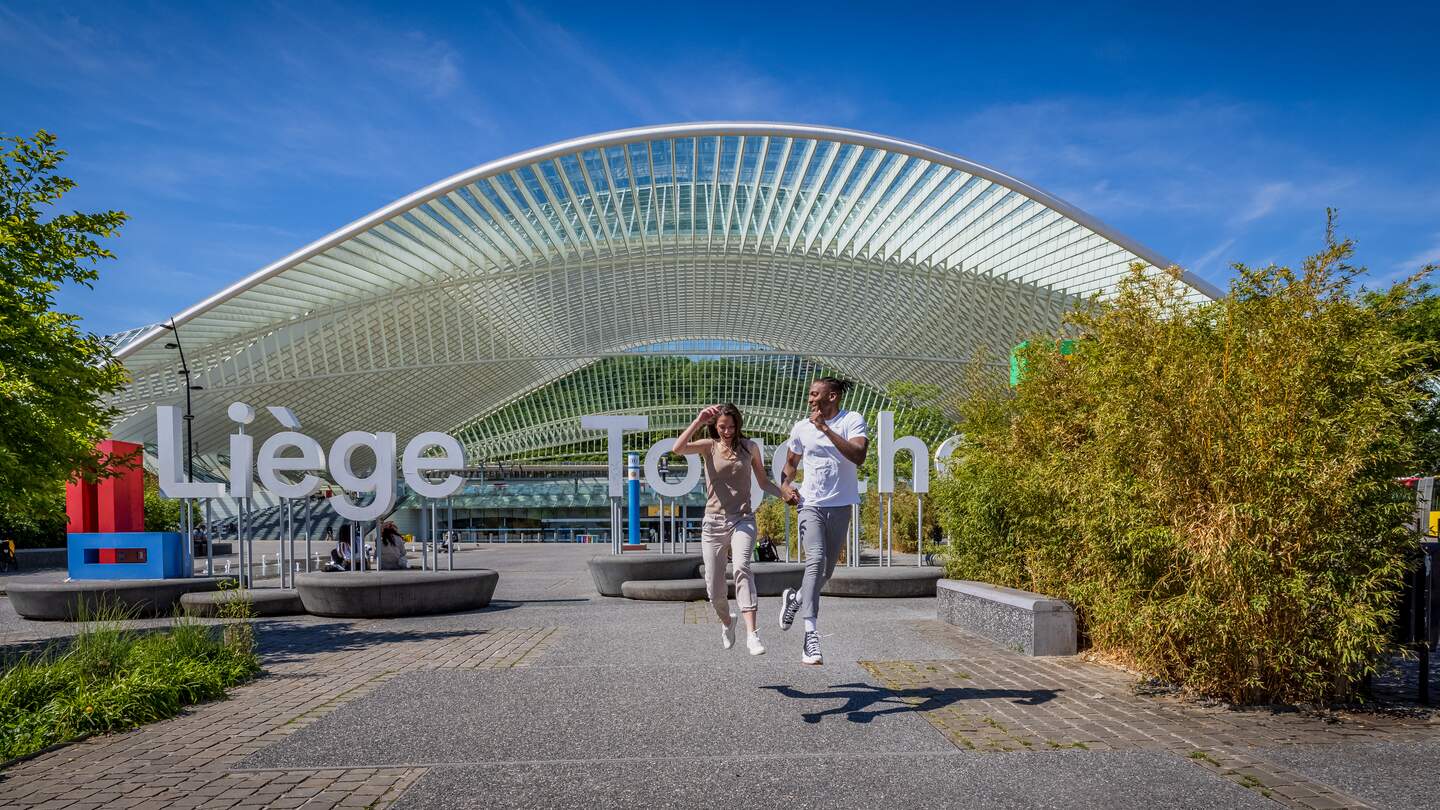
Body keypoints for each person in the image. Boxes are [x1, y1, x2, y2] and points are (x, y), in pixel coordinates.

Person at [674, 403, 794, 656]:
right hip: (713, 523)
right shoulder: (709, 446)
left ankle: (753, 633)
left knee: (742, 567)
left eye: (731, 426)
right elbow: (678, 449)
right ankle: (728, 622)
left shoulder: (750, 447)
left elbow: (762, 481)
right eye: (722, 427)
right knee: (714, 589)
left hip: (743, 520)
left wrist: (785, 494)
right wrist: (698, 420)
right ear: (715, 427)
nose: (727, 431)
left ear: (738, 424)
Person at [778, 377, 869, 665]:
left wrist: (825, 429)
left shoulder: (851, 420)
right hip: (810, 504)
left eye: (815, 394)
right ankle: (810, 635)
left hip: (841, 506)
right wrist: (785, 486)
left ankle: (794, 600)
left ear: (832, 396)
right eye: (809, 395)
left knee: (826, 573)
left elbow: (859, 456)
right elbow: (791, 464)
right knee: (815, 562)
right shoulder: (801, 428)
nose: (810, 400)